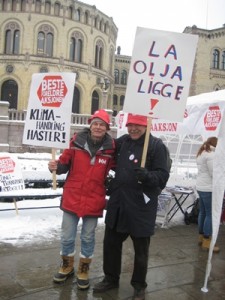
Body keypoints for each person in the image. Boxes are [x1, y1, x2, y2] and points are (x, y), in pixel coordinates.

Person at [93, 114, 170, 300]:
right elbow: (102, 146)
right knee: (111, 244)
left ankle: (139, 285)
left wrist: (148, 176)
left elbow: (163, 176)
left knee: (141, 250)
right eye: (130, 125)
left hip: (141, 207)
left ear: (146, 126)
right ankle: (111, 278)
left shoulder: (157, 146)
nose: (133, 129)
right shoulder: (122, 142)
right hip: (118, 203)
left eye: (138, 125)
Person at [48, 109, 115, 289]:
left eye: (102, 125)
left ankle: (83, 269)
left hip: (94, 199)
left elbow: (119, 167)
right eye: (96, 124)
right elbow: (63, 164)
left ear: (107, 128)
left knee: (88, 237)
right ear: (90, 125)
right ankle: (66, 266)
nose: (98, 127)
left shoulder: (111, 148)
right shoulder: (75, 142)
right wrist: (56, 166)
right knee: (67, 236)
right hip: (73, 197)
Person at [196, 136, 220, 253]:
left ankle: (201, 237)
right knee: (210, 214)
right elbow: (213, 173)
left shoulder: (202, 152)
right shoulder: (211, 155)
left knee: (203, 212)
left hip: (201, 186)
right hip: (208, 188)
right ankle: (207, 241)